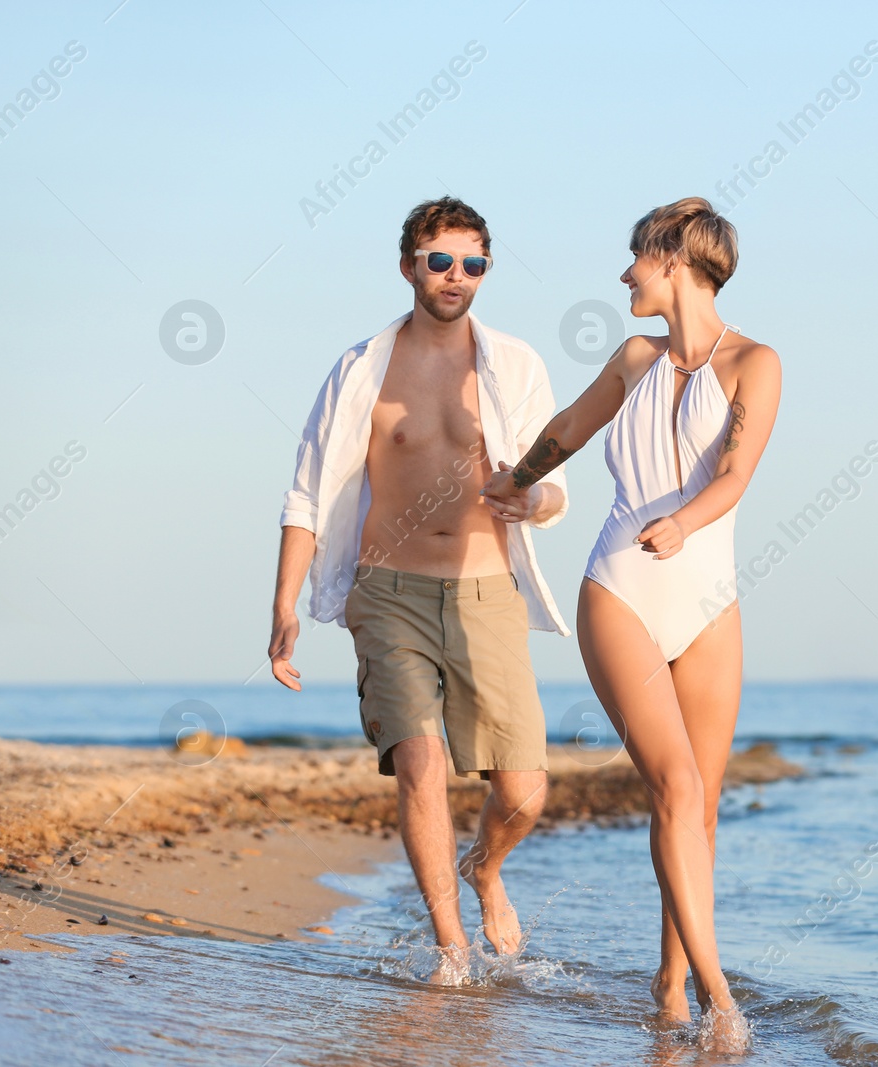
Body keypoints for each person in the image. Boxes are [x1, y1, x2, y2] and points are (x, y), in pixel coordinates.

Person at [483, 196, 780, 1043]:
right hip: (620, 589)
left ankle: (671, 987)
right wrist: (516, 477)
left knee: (703, 805)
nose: (625, 275)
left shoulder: (757, 363)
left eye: (636, 259)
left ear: (675, 260)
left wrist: (686, 522)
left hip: (708, 600)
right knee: (675, 786)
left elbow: (735, 473)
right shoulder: (635, 358)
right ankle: (724, 1002)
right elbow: (570, 430)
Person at [268, 197, 569, 981]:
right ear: (409, 265)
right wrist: (284, 605)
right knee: (421, 762)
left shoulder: (517, 365)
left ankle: (484, 868)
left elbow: (556, 491)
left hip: (486, 591)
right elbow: (309, 490)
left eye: (474, 264)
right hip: (387, 590)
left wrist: (529, 498)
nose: (456, 276)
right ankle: (452, 948)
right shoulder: (362, 367)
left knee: (526, 790)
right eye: (441, 260)